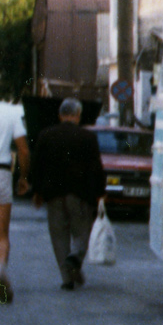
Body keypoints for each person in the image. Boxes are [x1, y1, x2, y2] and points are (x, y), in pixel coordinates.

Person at [32, 98, 104, 292]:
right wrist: (99, 194)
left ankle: (67, 279)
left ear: (60, 115)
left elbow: (37, 165)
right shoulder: (87, 137)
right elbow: (96, 167)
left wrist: (37, 191)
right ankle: (75, 256)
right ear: (78, 115)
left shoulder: (46, 135)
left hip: (53, 194)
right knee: (82, 232)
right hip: (80, 194)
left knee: (58, 236)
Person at [0, 72, 29, 304]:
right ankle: (0, 270)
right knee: (0, 234)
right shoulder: (10, 112)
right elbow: (23, 149)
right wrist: (23, 177)